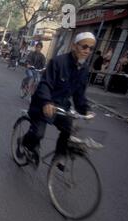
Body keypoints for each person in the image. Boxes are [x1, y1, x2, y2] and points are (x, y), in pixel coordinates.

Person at [20, 32, 96, 167]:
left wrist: (86, 110)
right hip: (43, 103)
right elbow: (45, 84)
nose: (87, 51)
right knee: (38, 134)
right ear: (74, 46)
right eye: (84, 47)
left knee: (68, 130)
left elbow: (79, 94)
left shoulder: (84, 69)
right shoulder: (58, 62)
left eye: (91, 48)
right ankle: (24, 141)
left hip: (61, 107)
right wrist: (46, 102)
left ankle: (59, 157)